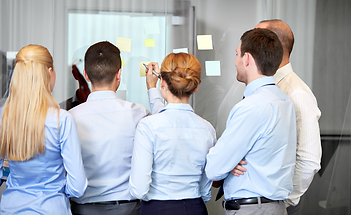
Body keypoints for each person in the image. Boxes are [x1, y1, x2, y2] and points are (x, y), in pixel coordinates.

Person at [205, 28, 297, 215]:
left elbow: (215, 168)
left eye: (237, 54)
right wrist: (229, 160)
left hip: (253, 209)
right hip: (273, 207)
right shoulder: (284, 100)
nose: (235, 60)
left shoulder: (251, 107)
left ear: (246, 59)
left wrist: (227, 160)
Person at [0, 44, 87, 214]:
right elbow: (78, 187)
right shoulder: (61, 120)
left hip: (10, 209)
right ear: (49, 72)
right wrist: (54, 191)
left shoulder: (3, 116)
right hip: (51, 209)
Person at [129, 53, 217, 215]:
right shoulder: (207, 129)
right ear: (195, 87)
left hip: (157, 208)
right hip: (195, 208)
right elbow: (205, 187)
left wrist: (151, 87)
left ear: (162, 82)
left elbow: (139, 189)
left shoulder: (148, 126)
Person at [69, 41, 149, 215]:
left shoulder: (70, 118)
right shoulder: (139, 113)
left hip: (82, 209)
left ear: (86, 75)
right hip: (128, 209)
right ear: (119, 74)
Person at [255, 19, 321, 214]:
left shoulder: (296, 93)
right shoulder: (265, 86)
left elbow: (309, 160)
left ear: (271, 45)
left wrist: (282, 201)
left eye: (255, 39)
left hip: (277, 205)